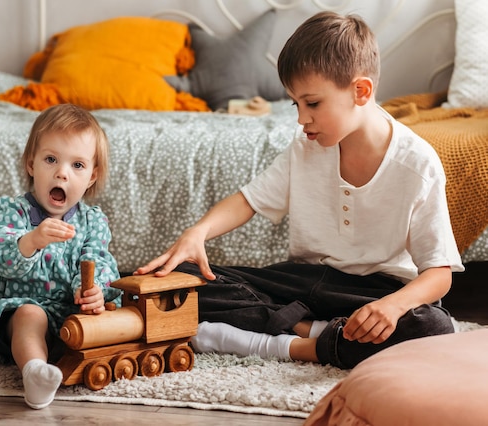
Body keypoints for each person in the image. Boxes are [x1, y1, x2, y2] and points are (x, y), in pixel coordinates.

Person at [135, 11, 464, 369]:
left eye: (313, 103)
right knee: (186, 282)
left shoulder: (418, 164)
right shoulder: (305, 147)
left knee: (434, 326)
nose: (301, 119)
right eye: (295, 103)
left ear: (361, 91)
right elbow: (248, 200)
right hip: (303, 284)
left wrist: (393, 306)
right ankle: (318, 333)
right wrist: (197, 232)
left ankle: (277, 343)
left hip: (371, 290)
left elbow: (438, 273)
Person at [0, 103, 121, 409]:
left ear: (92, 176)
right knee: (30, 315)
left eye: (77, 165)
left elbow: (99, 260)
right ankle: (34, 372)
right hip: (16, 312)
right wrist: (31, 240)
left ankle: (70, 359)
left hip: (68, 316)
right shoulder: (11, 212)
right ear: (31, 164)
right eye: (51, 159)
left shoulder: (92, 221)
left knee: (104, 316)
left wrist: (93, 289)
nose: (61, 173)